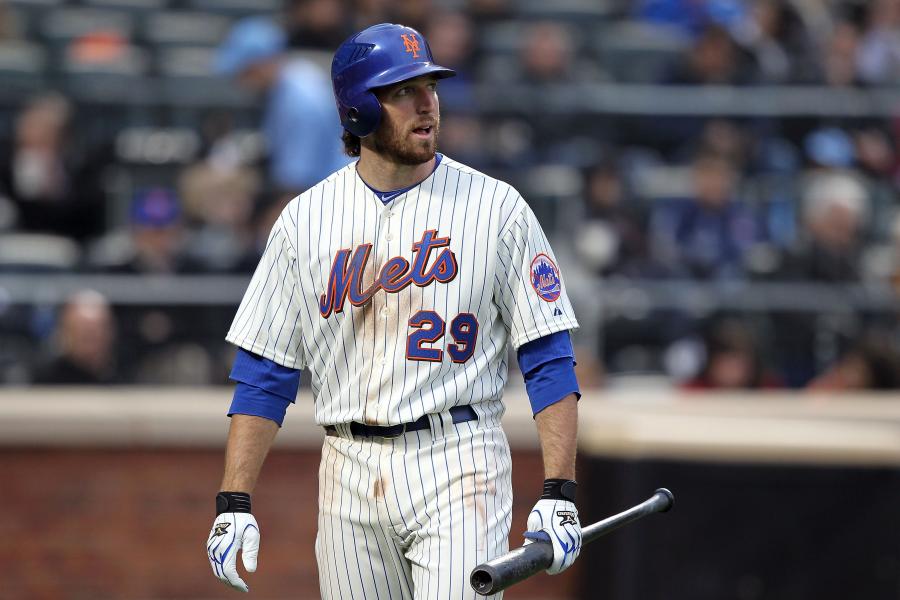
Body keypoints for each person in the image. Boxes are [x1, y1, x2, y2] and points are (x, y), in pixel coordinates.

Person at [205, 23, 583, 598]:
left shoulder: (497, 208)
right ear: (357, 109)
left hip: (459, 457)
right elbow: (265, 373)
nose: (428, 103)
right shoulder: (305, 220)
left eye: (430, 86)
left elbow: (548, 357)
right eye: (404, 90)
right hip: (347, 467)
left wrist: (559, 489)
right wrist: (234, 500)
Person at [215, 17, 350, 195]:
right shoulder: (293, 78)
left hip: (334, 197)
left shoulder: (298, 102)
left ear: (263, 65)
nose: (241, 83)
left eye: (245, 72)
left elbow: (296, 185)